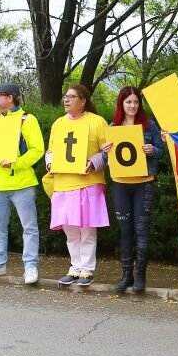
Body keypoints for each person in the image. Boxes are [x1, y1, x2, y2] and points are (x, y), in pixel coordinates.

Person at [0, 83, 45, 284]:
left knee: (29, 227)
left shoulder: (27, 120)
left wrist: (16, 163)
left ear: (10, 97)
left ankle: (30, 266)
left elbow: (37, 150)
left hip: (22, 184)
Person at [45, 84, 110, 287]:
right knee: (70, 230)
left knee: (87, 229)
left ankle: (87, 270)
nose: (66, 100)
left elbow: (108, 151)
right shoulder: (58, 124)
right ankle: (74, 267)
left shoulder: (97, 122)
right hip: (64, 183)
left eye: (72, 97)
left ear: (83, 100)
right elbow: (51, 150)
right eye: (65, 96)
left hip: (88, 182)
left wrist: (94, 163)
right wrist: (49, 162)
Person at [104, 86, 166, 293]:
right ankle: (126, 275)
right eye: (128, 102)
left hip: (143, 183)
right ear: (121, 103)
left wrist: (153, 150)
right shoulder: (113, 126)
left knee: (142, 231)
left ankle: (140, 276)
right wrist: (105, 151)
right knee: (125, 231)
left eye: (136, 102)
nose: (132, 106)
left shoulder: (149, 126)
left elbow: (162, 151)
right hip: (121, 183)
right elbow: (107, 158)